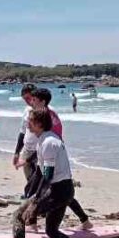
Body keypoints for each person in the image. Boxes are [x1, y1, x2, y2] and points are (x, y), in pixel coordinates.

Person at [14, 109, 91, 238]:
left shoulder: (49, 142)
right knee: (51, 231)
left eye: (31, 121)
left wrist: (35, 201)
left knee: (18, 216)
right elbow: (41, 172)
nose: (27, 123)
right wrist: (32, 191)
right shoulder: (44, 139)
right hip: (62, 190)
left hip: (58, 191)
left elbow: (47, 176)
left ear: (39, 124)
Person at [22, 87, 92, 229]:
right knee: (42, 189)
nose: (31, 102)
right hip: (42, 154)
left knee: (41, 189)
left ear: (42, 102)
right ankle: (85, 220)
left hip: (49, 156)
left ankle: (32, 223)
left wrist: (30, 158)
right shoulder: (38, 114)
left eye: (34, 100)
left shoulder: (48, 117)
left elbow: (52, 140)